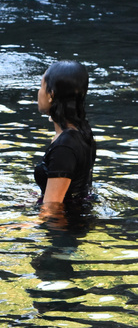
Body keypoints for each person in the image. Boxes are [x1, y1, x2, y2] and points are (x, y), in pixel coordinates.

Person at [35, 60, 96, 221]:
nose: (39, 92)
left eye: (41, 86)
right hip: (77, 217)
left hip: (65, 227)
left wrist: (24, 226)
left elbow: (53, 207)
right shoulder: (83, 131)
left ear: (51, 95)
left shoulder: (65, 147)